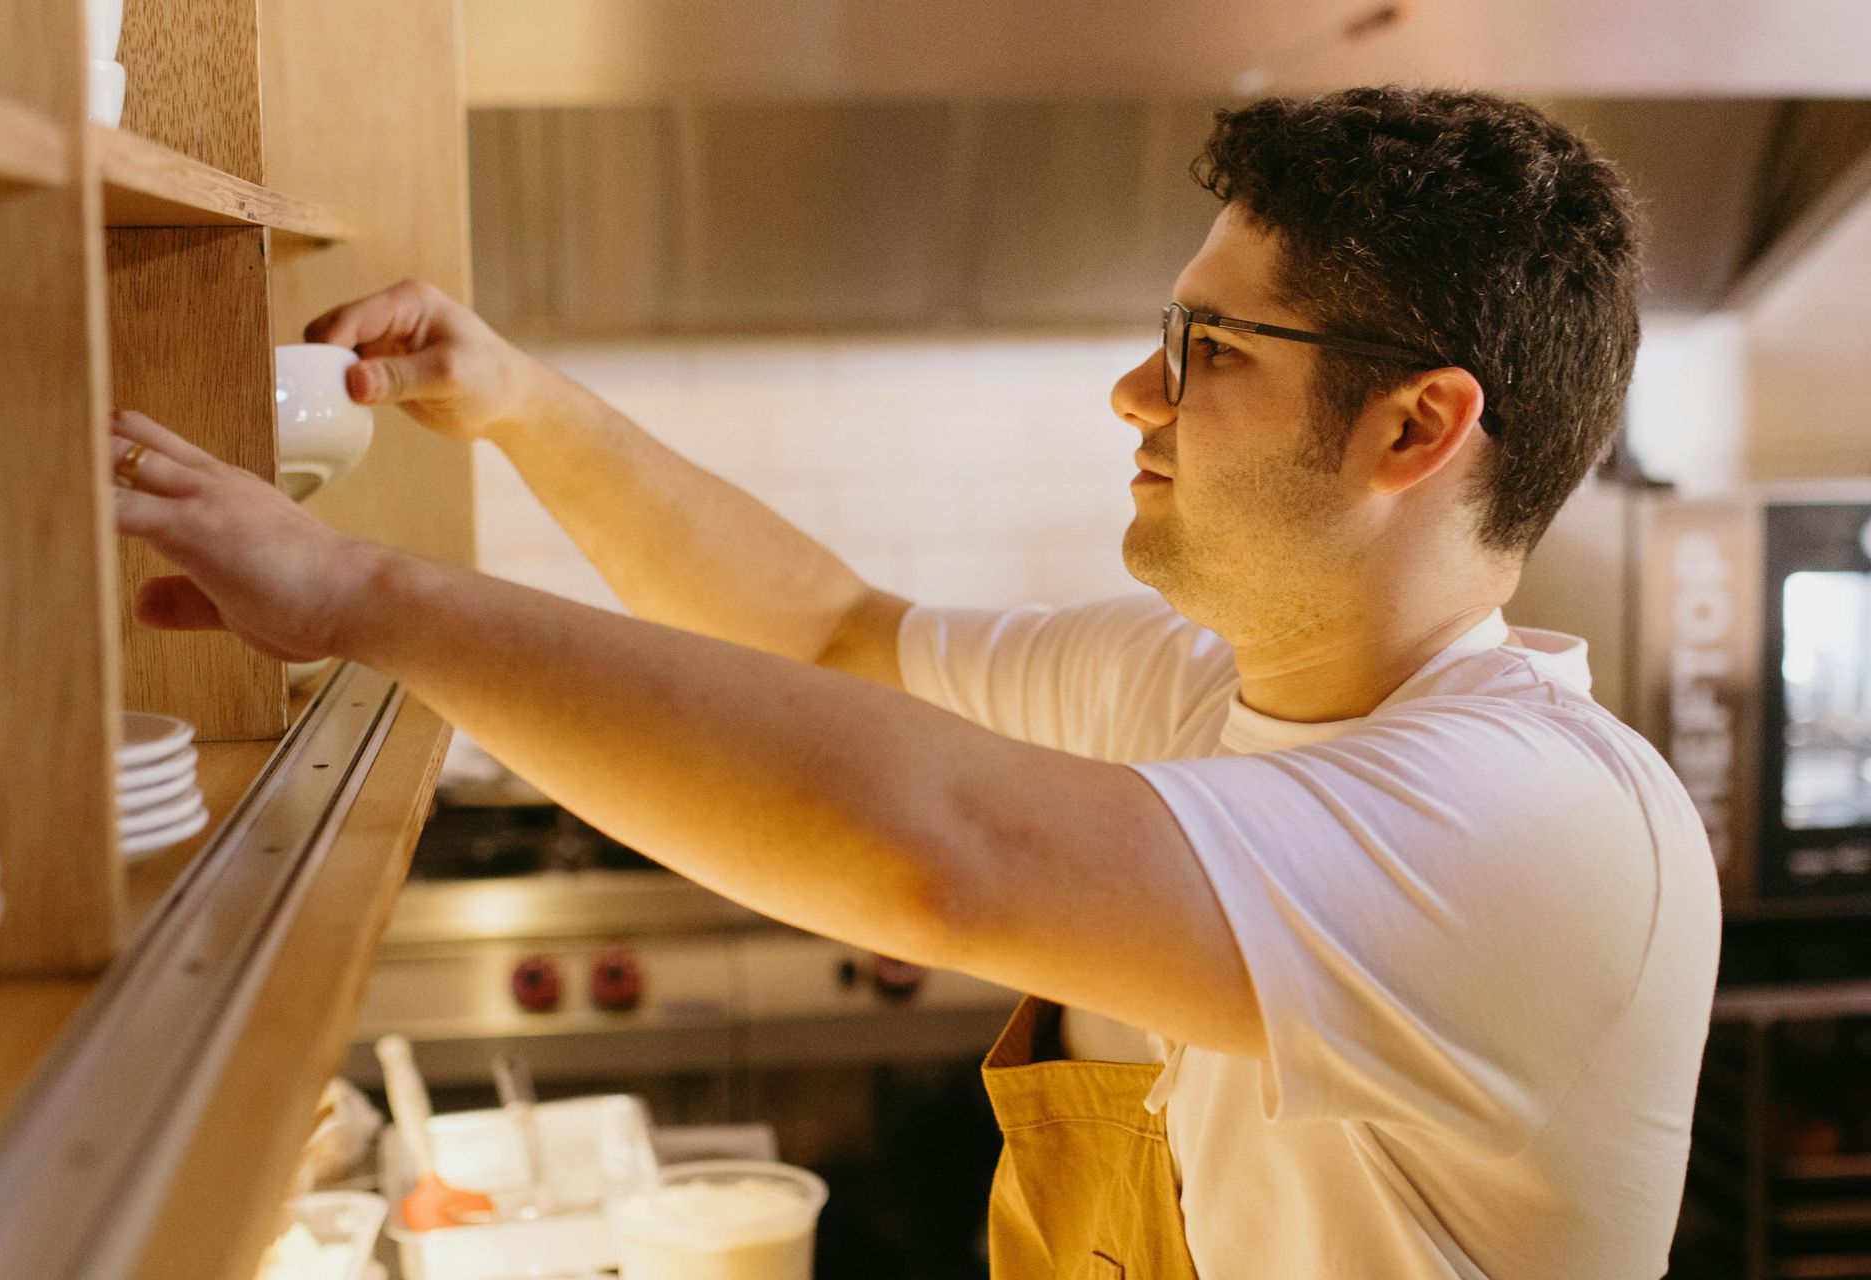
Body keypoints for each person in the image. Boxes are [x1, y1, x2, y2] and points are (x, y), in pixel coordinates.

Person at [108, 87, 1720, 1278]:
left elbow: (941, 859)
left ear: (1416, 429)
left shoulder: (1538, 822)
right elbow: (819, 634)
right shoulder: (1188, 694)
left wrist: (359, 592)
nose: (1132, 391)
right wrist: (522, 402)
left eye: (1210, 349)